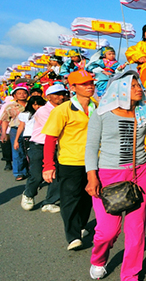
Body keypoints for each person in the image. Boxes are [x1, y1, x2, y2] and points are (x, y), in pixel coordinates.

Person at [85, 70, 146, 281]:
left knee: (136, 229)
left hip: (140, 174)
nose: (140, 88)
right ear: (120, 89)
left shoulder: (145, 111)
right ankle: (99, 259)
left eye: (139, 85)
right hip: (108, 176)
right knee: (108, 231)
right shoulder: (102, 114)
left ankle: (130, 275)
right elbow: (91, 147)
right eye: (133, 85)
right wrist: (92, 176)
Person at [42, 70, 96, 251]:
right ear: (72, 88)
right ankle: (73, 236)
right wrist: (48, 165)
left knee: (88, 197)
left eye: (91, 82)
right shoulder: (62, 110)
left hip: (95, 161)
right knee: (70, 198)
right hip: (70, 161)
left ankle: (80, 225)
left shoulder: (98, 106)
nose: (89, 86)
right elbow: (50, 139)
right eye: (84, 84)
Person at [28, 83, 67, 213]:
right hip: (39, 146)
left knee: (56, 174)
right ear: (48, 97)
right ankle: (29, 194)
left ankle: (50, 202)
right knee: (38, 175)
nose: (61, 97)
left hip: (58, 146)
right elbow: (57, 129)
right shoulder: (43, 111)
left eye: (63, 94)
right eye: (57, 94)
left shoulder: (66, 108)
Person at [15, 95, 46, 209]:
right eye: (34, 104)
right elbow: (21, 126)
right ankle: (31, 188)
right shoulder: (26, 114)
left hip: (46, 139)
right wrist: (16, 140)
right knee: (33, 162)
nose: (37, 106)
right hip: (30, 139)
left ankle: (50, 200)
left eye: (39, 104)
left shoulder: (47, 112)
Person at [0, 84, 29, 181]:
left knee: (29, 151)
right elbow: (5, 120)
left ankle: (29, 171)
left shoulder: (32, 104)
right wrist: (4, 133)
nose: (22, 95)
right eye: (19, 93)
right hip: (15, 130)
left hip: (30, 130)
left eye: (24, 93)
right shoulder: (10, 106)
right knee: (17, 151)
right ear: (14, 96)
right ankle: (19, 172)